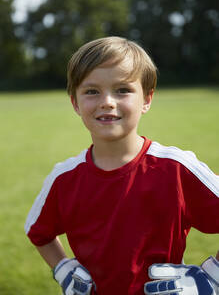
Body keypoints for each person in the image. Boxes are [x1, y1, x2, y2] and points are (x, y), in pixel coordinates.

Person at [25, 36, 219, 295]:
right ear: (75, 102)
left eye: (122, 90)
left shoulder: (177, 169)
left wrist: (212, 277)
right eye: (92, 91)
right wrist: (63, 269)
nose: (107, 101)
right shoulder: (64, 178)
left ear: (147, 99)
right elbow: (38, 231)